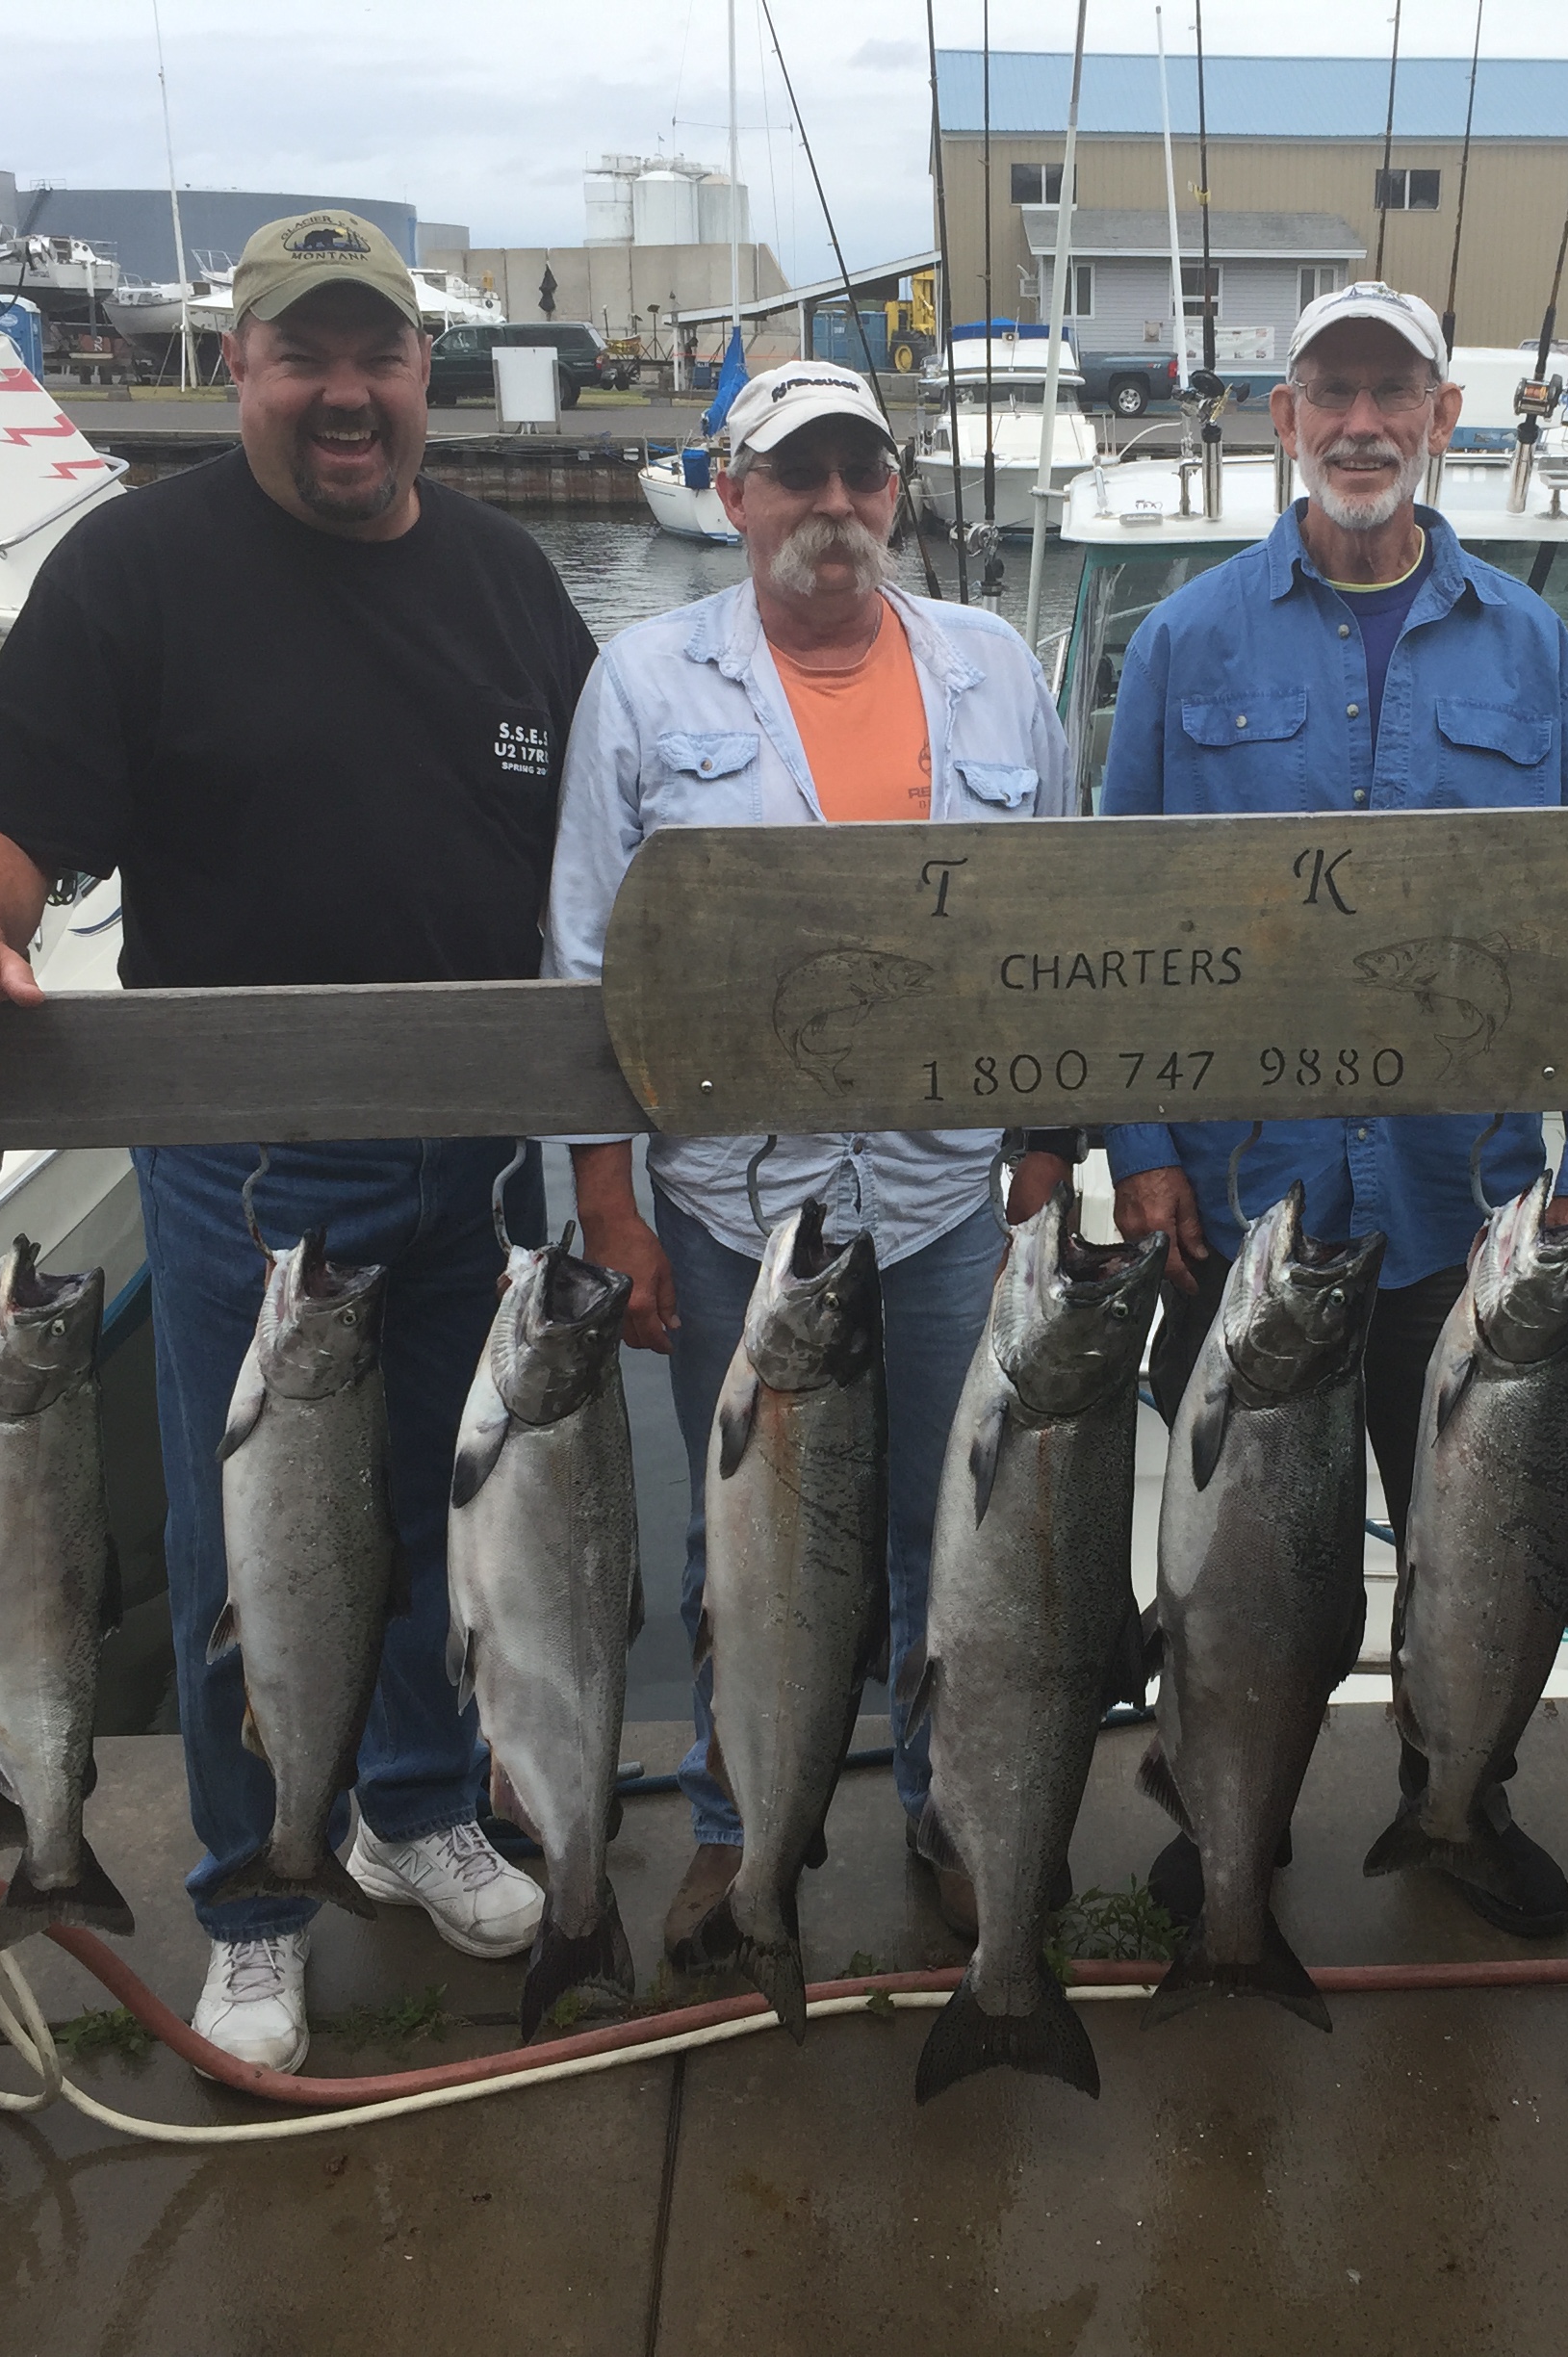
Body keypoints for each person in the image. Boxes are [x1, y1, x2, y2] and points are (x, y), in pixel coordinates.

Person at [0, 211, 602, 2070]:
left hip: (476, 1158)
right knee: (240, 1542)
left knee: (451, 1519)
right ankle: (255, 1897)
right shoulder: (140, 571)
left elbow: (614, 865)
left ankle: (415, 1804)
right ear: (240, 372)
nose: (347, 396)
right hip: (254, 1174)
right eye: (303, 358)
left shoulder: (515, 583)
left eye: (379, 359)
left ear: (423, 379)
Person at [1096, 280, 1568, 1941]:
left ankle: (1455, 1802)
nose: (1360, 423)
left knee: (1486, 1550)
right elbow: (1110, 925)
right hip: (1234, 1205)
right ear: (1284, 420)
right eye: (1328, 392)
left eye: (1391, 394)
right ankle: (1227, 1816)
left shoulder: (1532, 645)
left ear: (1441, 421)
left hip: (1460, 1209)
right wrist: (1137, 1152)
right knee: (1228, 1571)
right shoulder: (1183, 639)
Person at [548, 358, 1076, 1963]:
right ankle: (734, 1829)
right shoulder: (641, 684)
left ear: (894, 496)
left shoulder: (998, 669)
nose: (832, 508)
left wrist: (1051, 1147)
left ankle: (950, 1806)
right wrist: (608, 1205)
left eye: (862, 475)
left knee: (959, 1534)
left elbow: (1063, 932)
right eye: (798, 476)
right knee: (747, 1542)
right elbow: (587, 961)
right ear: (736, 493)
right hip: (730, 1210)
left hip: (944, 1202)